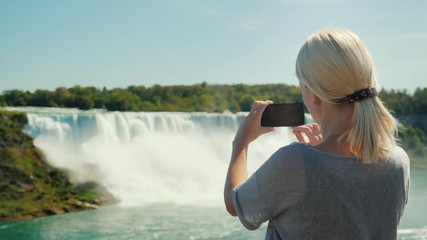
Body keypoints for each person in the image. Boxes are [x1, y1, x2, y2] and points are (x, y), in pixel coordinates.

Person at [223, 28, 410, 240]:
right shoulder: (398, 163)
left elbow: (235, 204)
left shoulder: (295, 162)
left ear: (313, 93)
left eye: (302, 85)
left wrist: (241, 141)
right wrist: (323, 154)